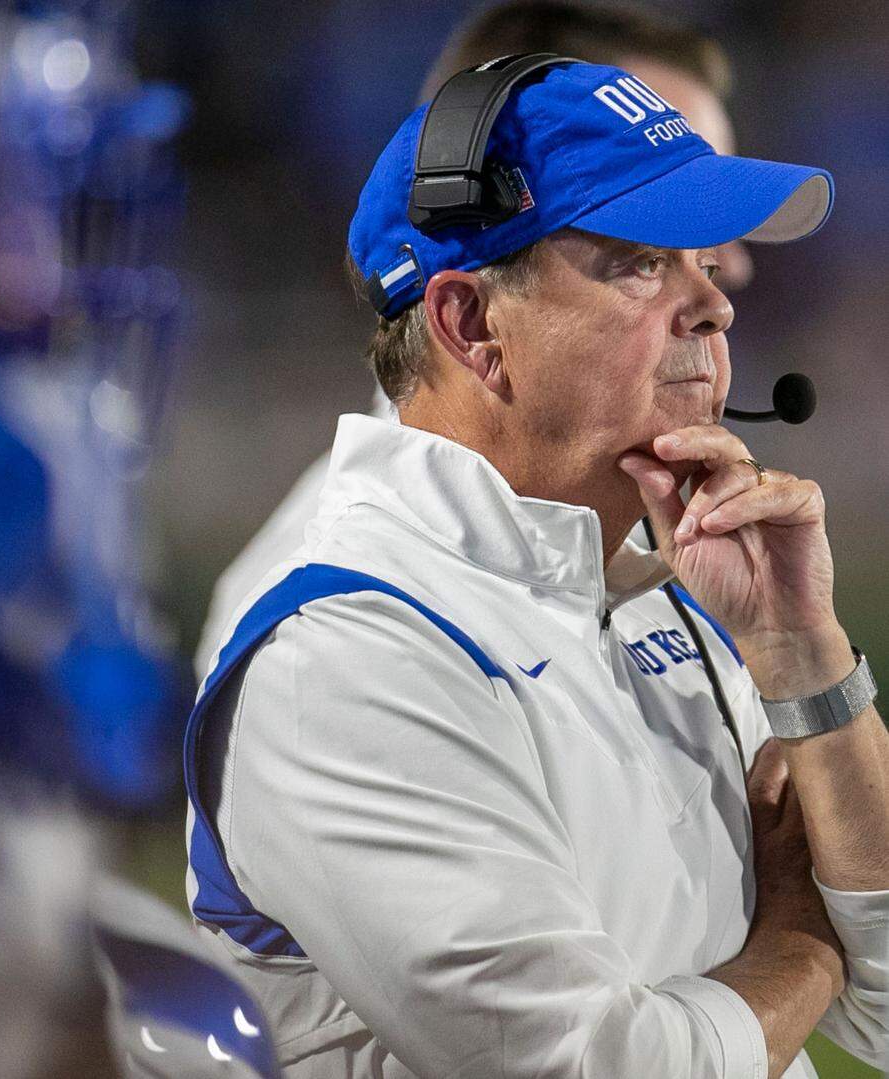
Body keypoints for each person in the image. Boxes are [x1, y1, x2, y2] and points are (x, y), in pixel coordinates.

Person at [183, 52, 889, 1079]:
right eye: (643, 260)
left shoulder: (659, 581)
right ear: (472, 325)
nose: (715, 305)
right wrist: (800, 943)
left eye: (704, 258)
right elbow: (592, 1067)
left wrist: (805, 655)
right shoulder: (340, 653)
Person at [195, 0, 754, 681]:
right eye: (647, 243)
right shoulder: (334, 619)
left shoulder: (642, 553)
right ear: (471, 320)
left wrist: (808, 672)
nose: (724, 285)